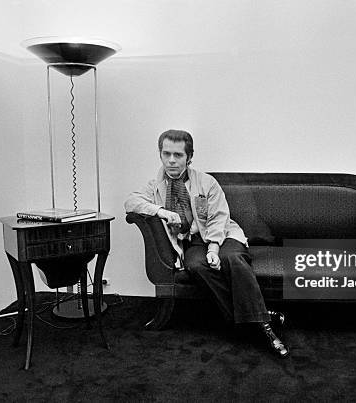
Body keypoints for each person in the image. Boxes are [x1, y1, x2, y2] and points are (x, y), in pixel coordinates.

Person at [124, 129, 289, 358]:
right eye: (166, 154)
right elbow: (131, 202)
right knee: (196, 266)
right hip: (194, 243)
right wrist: (161, 211)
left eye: (178, 155)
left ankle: (265, 329)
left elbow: (218, 218)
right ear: (160, 155)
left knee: (231, 258)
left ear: (189, 157)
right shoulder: (155, 186)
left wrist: (213, 247)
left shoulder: (207, 182)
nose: (171, 160)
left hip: (224, 235)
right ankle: (257, 316)